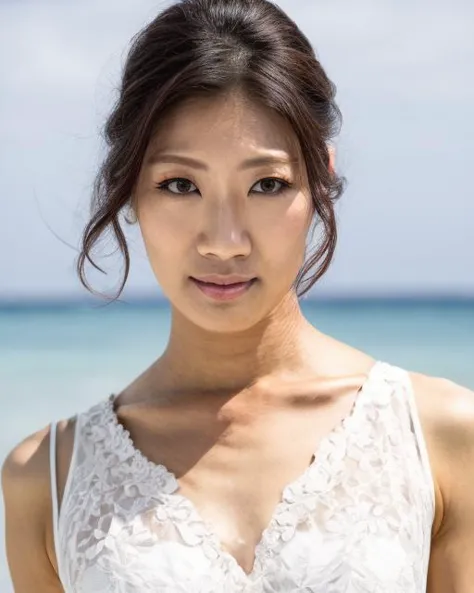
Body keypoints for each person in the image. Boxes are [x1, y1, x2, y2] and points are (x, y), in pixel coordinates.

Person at [2, 0, 474, 591]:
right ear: (129, 192)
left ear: (319, 180)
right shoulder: (46, 478)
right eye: (180, 185)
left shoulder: (440, 435)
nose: (224, 242)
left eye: (266, 185)